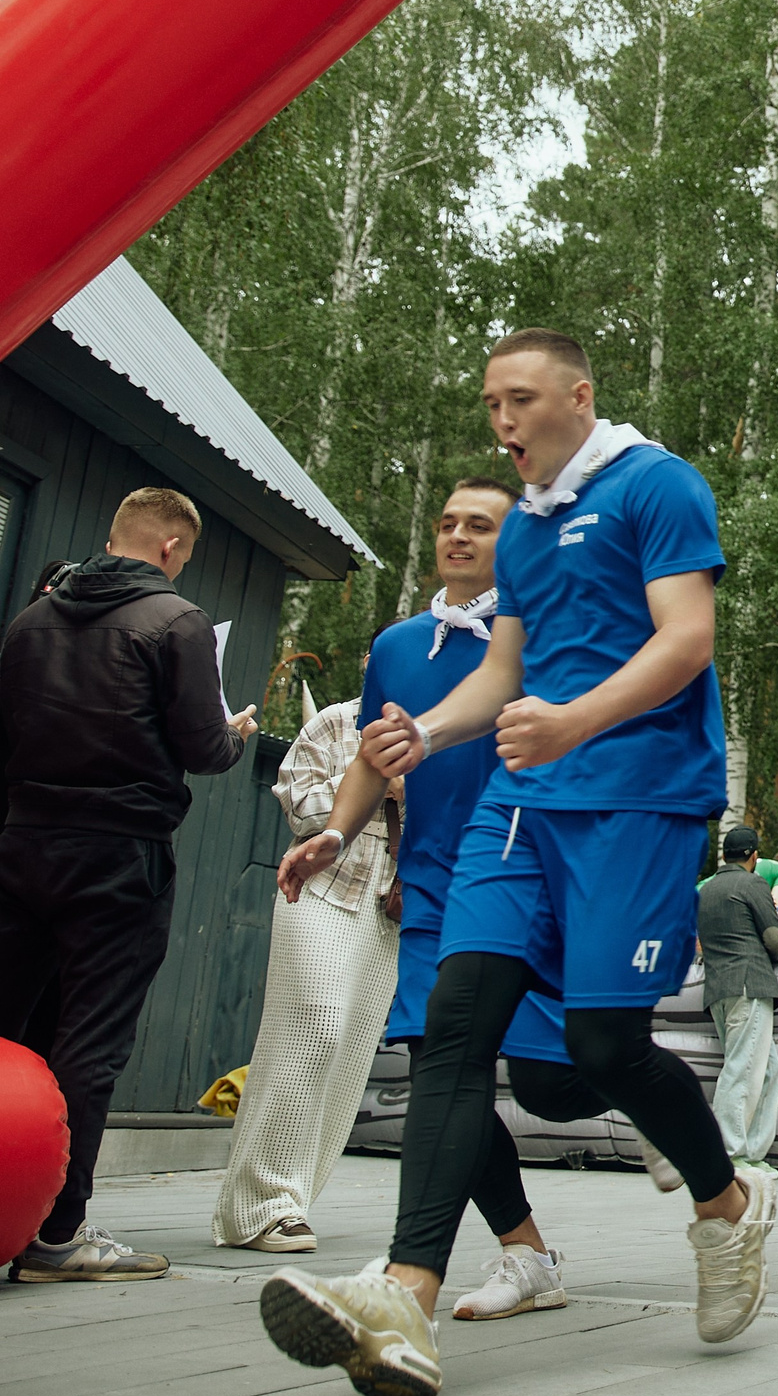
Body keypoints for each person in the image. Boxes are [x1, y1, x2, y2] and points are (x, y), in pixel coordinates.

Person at [257, 329, 770, 1396]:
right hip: (521, 804)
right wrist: (426, 739)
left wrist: (574, 722)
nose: (504, 422)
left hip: (638, 800)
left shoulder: (658, 485)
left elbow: (687, 639)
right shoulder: (526, 532)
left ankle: (726, 1207)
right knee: (455, 1028)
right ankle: (404, 1295)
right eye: (492, 403)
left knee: (602, 1046)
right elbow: (504, 668)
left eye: (523, 400)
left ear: (578, 398)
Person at [272, 479, 592, 1325]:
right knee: (440, 1073)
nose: (455, 534)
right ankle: (495, 1256)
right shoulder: (397, 644)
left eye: (478, 524)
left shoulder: (544, 641)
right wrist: (339, 834)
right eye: (447, 521)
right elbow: (375, 758)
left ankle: (661, 1107)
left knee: (555, 1081)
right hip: (428, 885)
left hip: (524, 883)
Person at [0, 486, 259, 1281]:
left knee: (8, 1027)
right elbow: (202, 747)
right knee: (91, 1041)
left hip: (21, 846)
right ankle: (56, 1230)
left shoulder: (30, 620)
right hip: (121, 855)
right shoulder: (176, 623)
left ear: (113, 535)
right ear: (174, 548)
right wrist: (234, 734)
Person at [213, 684, 403, 1253]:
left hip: (392, 901)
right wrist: (371, 782)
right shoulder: (332, 723)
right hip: (318, 887)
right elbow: (300, 807)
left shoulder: (435, 731)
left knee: (350, 1047)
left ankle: (287, 1201)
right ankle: (263, 1202)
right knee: (313, 1027)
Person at [698, 827, 778, 1166]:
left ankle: (752, 1153)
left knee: (766, 1070)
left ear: (724, 855)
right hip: (750, 986)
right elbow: (774, 939)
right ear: (753, 857)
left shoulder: (706, 890)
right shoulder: (753, 884)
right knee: (741, 1070)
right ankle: (729, 1153)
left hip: (718, 989)